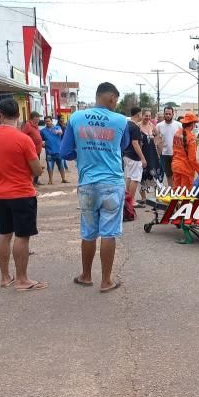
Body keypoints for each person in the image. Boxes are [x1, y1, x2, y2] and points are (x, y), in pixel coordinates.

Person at [60, 82, 130, 293]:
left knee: (88, 232)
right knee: (109, 233)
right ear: (110, 98)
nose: (115, 104)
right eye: (116, 100)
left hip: (87, 183)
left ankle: (86, 275)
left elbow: (65, 152)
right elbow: (124, 145)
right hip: (112, 182)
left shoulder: (76, 118)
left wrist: (82, 153)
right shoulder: (120, 121)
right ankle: (106, 280)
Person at [0, 98, 46, 291]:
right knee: (22, 236)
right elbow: (36, 170)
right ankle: (22, 279)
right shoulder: (23, 139)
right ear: (19, 116)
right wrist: (39, 168)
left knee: (3, 234)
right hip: (21, 192)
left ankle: (5, 277)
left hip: (0, 192)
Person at [123, 107, 147, 208]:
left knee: (129, 177)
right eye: (141, 114)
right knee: (135, 178)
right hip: (133, 156)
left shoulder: (126, 125)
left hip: (126, 154)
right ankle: (131, 201)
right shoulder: (135, 127)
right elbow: (135, 143)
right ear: (138, 114)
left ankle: (127, 199)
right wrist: (142, 158)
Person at [138, 108, 164, 203]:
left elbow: (158, 136)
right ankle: (143, 198)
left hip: (153, 154)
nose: (148, 117)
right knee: (142, 175)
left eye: (149, 116)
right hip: (143, 153)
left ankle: (157, 197)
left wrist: (157, 145)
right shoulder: (138, 126)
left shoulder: (152, 125)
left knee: (155, 175)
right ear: (142, 115)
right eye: (146, 116)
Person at [171, 112, 199, 190]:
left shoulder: (177, 133)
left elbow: (174, 149)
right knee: (185, 193)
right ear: (193, 124)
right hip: (185, 168)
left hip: (176, 166)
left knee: (176, 190)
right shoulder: (191, 137)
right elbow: (192, 159)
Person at [40, 116, 69, 184]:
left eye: (49, 121)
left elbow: (61, 132)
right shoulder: (43, 131)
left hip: (58, 151)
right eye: (46, 121)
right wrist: (42, 143)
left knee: (61, 166)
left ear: (51, 121)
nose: (48, 122)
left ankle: (63, 179)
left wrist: (59, 131)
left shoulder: (57, 128)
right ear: (45, 122)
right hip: (49, 152)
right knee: (49, 167)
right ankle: (50, 180)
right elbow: (41, 140)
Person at [157, 106, 181, 186]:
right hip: (164, 154)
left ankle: (177, 191)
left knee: (177, 174)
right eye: (166, 114)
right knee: (168, 175)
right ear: (164, 114)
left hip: (176, 154)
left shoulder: (178, 125)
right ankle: (172, 192)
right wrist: (158, 151)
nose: (167, 115)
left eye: (169, 114)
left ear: (173, 114)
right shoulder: (159, 126)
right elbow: (156, 139)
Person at [22, 111, 44, 185]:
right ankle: (32, 182)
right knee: (34, 166)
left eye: (38, 118)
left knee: (37, 165)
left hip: (38, 150)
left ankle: (36, 180)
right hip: (32, 150)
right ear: (33, 118)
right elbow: (23, 135)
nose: (38, 119)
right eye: (37, 118)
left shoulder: (36, 125)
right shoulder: (28, 125)